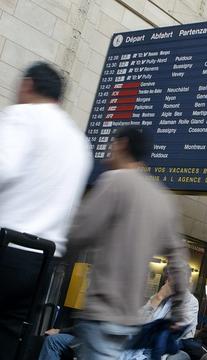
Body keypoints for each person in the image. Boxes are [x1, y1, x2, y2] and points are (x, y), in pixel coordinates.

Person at [66, 126, 190, 359]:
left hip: (102, 312)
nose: (108, 149)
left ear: (122, 144)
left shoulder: (115, 181)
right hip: (129, 319)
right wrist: (179, 310)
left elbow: (79, 235)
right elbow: (180, 261)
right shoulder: (163, 199)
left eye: (112, 143)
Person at [0, 61, 92, 359]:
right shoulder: (78, 142)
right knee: (9, 334)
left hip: (5, 247)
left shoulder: (22, 116)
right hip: (41, 263)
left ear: (27, 85)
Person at [38, 268, 199, 360]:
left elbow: (176, 333)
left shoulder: (190, 302)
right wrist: (156, 299)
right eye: (169, 278)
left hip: (146, 350)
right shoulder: (159, 297)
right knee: (54, 341)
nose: (169, 282)